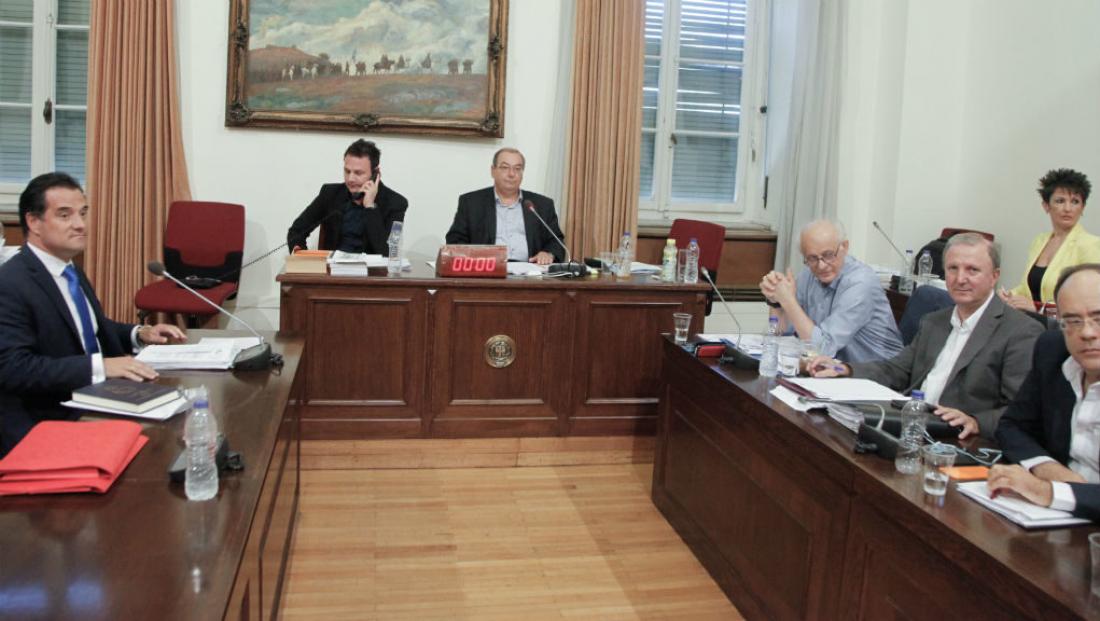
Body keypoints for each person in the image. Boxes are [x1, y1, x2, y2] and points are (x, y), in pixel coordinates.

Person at [0, 173, 185, 456]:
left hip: (98, 397)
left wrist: (138, 334)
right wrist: (100, 367)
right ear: (34, 222)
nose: (80, 224)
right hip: (51, 417)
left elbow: (86, 328)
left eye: (83, 213)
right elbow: (14, 368)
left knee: (178, 429)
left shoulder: (69, 269)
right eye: (65, 215)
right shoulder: (11, 283)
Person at [808, 233, 1042, 439]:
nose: (960, 278)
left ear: (994, 276)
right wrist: (844, 369)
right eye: (953, 268)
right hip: (912, 424)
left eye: (973, 270)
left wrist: (977, 422)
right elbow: (897, 370)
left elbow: (1020, 410)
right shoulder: (934, 321)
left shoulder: (1020, 331)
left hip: (960, 439)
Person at [991, 264, 1100, 520]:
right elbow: (1012, 426)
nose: (1087, 332)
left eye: (1099, 318)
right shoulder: (1053, 351)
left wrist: (1048, 491)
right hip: (1059, 519)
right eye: (1073, 321)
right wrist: (1049, 469)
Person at [759, 219, 902, 363]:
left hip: (878, 371)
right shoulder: (809, 273)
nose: (821, 266)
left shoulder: (861, 283)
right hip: (833, 368)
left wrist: (788, 301)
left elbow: (822, 349)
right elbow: (782, 332)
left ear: (844, 247)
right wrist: (775, 300)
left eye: (828, 255)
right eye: (812, 258)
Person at [999, 168, 1100, 311]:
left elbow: (1090, 301)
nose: (1067, 208)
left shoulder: (1091, 244)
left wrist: (1039, 309)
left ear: (1082, 207)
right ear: (1046, 206)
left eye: (1075, 202)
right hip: (1032, 320)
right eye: (1060, 201)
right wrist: (1010, 296)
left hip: (1065, 323)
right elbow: (1029, 287)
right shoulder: (1039, 241)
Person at [445, 148, 565, 265]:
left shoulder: (542, 205)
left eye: (517, 168)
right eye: (505, 167)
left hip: (530, 272)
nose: (511, 174)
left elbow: (557, 241)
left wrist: (548, 253)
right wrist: (477, 258)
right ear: (493, 171)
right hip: (487, 271)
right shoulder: (472, 203)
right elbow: (455, 240)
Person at [286, 139, 409, 254]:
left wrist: (370, 207)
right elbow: (296, 231)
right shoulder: (330, 194)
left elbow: (389, 253)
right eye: (347, 171)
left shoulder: (396, 203)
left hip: (371, 270)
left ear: (376, 173)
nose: (350, 179)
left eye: (358, 173)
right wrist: (300, 253)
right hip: (333, 269)